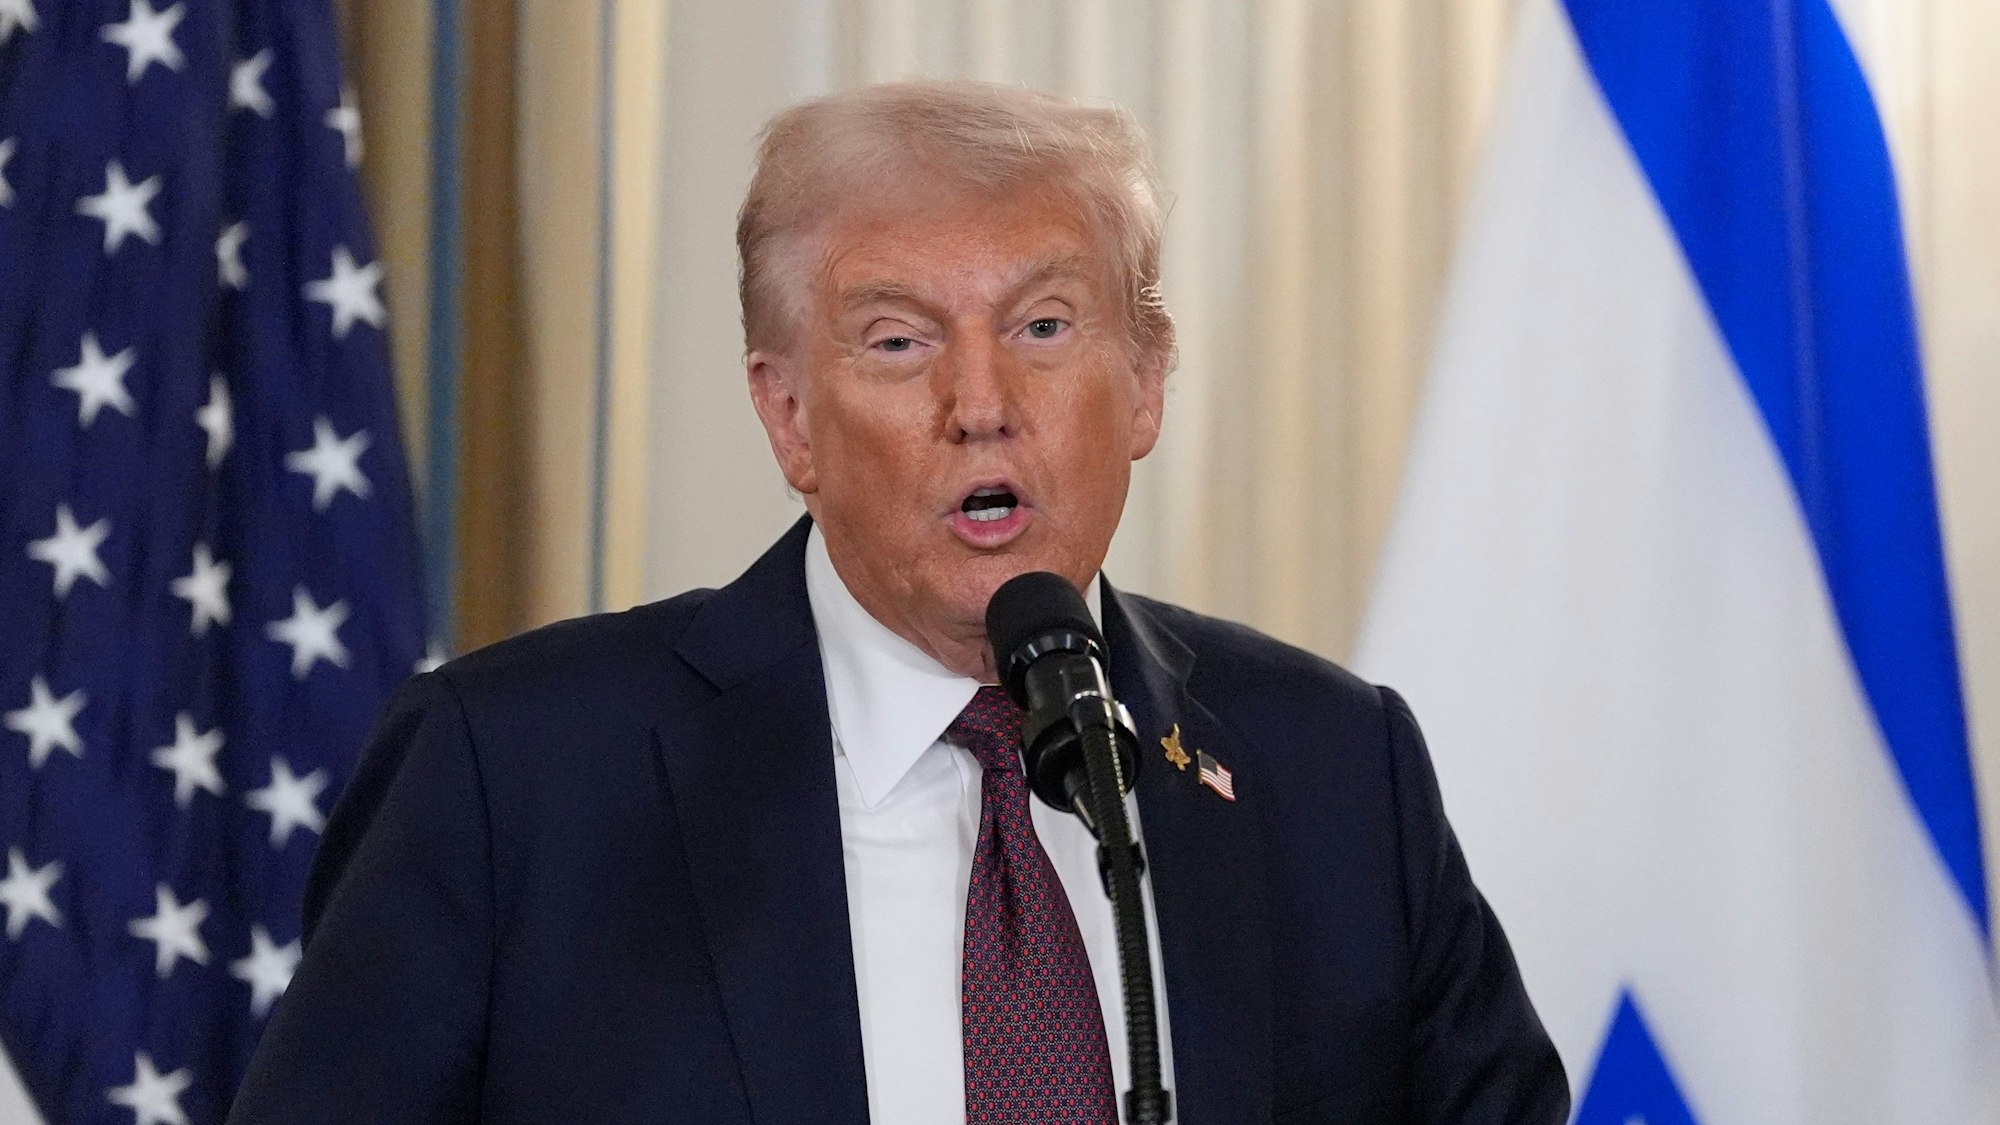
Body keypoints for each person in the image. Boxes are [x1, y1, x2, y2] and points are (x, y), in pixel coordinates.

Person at [228, 79, 1567, 1124]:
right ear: (789, 415)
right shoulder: (515, 777)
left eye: (1044, 326)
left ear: (1148, 382)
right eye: (899, 341)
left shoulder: (1329, 770)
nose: (980, 403)